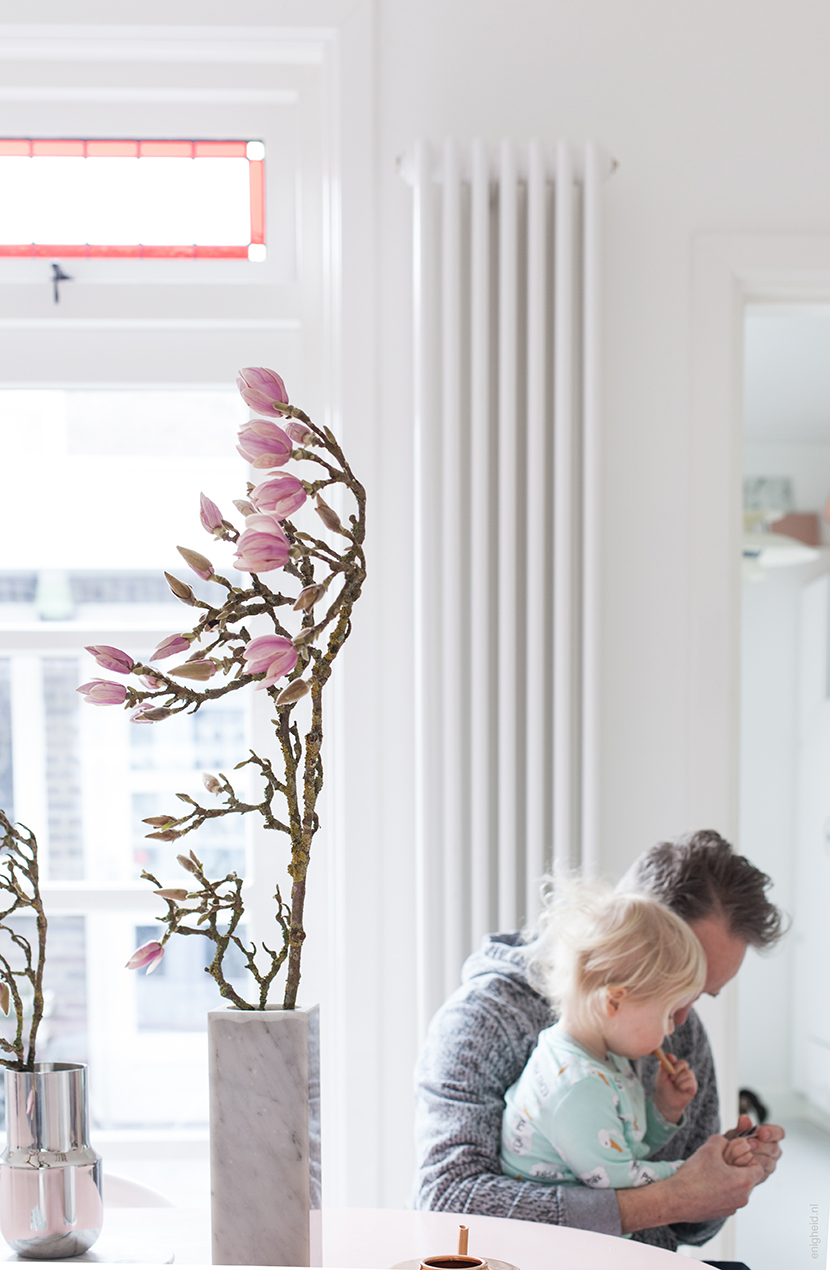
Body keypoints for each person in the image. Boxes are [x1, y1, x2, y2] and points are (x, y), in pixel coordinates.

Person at [414, 830, 787, 1253]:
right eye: (674, 990)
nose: (682, 1020)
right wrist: (668, 1199)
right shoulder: (486, 1017)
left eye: (700, 995)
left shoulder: (680, 1031)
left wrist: (728, 1175)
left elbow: (688, 1230)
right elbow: (445, 1205)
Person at [500, 884, 754, 1203]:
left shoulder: (601, 1058)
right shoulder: (578, 1085)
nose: (672, 1028)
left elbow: (624, 1144)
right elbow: (617, 1178)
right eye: (666, 1014)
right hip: (557, 1244)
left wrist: (664, 1108)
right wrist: (698, 1172)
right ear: (614, 1003)